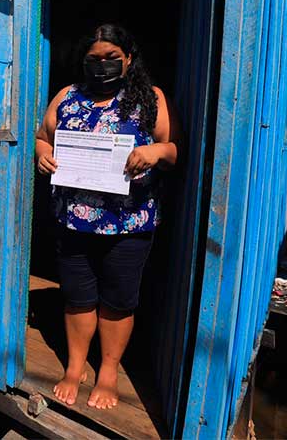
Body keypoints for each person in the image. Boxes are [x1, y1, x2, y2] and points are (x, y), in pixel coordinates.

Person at [34, 24, 181, 410]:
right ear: (84, 62)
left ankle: (109, 372)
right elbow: (42, 135)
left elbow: (173, 150)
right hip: (75, 220)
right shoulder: (68, 97)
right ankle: (75, 366)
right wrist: (41, 153)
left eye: (112, 58)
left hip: (130, 223)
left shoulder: (150, 98)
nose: (102, 66)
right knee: (78, 298)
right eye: (94, 59)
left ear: (129, 59)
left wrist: (155, 153)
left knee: (117, 301)